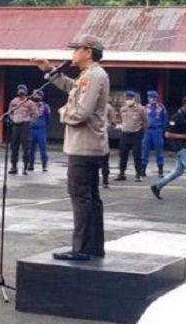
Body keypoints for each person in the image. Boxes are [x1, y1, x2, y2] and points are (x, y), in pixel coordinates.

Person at [34, 34, 110, 262]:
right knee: (90, 197)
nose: (72, 54)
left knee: (80, 196)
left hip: (84, 145)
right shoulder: (89, 75)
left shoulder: (94, 75)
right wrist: (50, 70)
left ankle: (82, 248)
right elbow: (72, 88)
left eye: (76, 49)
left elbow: (82, 112)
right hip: (87, 144)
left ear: (87, 51)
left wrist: (63, 113)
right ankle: (94, 246)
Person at [149, 95, 186, 204]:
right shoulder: (176, 117)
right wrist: (184, 137)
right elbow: (168, 134)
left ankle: (157, 186)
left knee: (177, 171)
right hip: (181, 147)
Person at [115, 91, 148, 182]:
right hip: (125, 134)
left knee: (137, 155)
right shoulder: (123, 109)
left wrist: (141, 132)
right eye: (127, 99)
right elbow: (121, 120)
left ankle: (138, 174)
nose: (128, 101)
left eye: (130, 99)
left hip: (136, 134)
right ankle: (122, 173)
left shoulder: (141, 109)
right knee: (123, 155)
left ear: (134, 99)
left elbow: (146, 122)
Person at [8, 84, 38, 175]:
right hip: (16, 126)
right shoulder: (14, 101)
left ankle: (25, 167)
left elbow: (35, 114)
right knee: (14, 147)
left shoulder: (30, 103)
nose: (21, 91)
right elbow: (10, 112)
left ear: (26, 91)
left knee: (26, 148)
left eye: (22, 89)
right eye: (19, 89)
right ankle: (14, 166)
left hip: (25, 126)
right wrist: (12, 118)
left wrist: (30, 122)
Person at [142, 90, 167, 177]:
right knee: (145, 149)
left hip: (157, 130)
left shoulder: (161, 107)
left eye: (151, 97)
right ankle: (143, 169)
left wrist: (163, 130)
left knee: (159, 150)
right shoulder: (146, 107)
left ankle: (160, 169)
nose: (150, 99)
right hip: (148, 130)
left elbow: (165, 119)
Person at [28, 89, 51, 172]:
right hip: (32, 129)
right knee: (31, 148)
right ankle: (30, 164)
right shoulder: (30, 105)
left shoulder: (45, 106)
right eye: (35, 95)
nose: (36, 96)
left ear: (41, 96)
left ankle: (44, 165)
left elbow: (48, 118)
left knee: (43, 148)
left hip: (41, 130)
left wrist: (43, 125)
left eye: (38, 95)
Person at [101, 103, 118, 188]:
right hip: (102, 138)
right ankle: (105, 181)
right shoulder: (107, 106)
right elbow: (113, 123)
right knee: (104, 162)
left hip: (91, 139)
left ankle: (104, 180)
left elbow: (113, 122)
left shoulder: (88, 104)